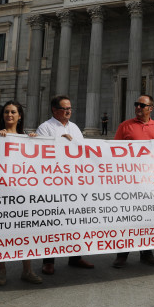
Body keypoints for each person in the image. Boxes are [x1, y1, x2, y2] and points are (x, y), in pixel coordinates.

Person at [113, 94, 154, 268]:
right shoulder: (125, 126)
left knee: (149, 217)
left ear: (150, 108)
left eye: (142, 105)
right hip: (130, 182)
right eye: (136, 104)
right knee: (127, 218)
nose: (138, 107)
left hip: (151, 182)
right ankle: (122, 254)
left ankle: (147, 252)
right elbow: (113, 152)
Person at [36, 95, 94, 274]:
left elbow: (83, 151)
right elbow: (39, 153)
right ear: (55, 110)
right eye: (65, 108)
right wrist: (62, 143)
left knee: (74, 220)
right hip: (53, 182)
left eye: (70, 108)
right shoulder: (45, 128)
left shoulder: (75, 127)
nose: (69, 111)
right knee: (52, 223)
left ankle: (75, 257)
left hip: (74, 181)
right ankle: (49, 261)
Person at [0, 100, 42, 285]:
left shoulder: (27, 138)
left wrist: (35, 142)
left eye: (13, 112)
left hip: (23, 192)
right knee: (1, 232)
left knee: (25, 232)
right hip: (2, 191)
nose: (9, 115)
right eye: (6, 112)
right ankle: (1, 270)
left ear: (20, 116)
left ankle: (27, 270)